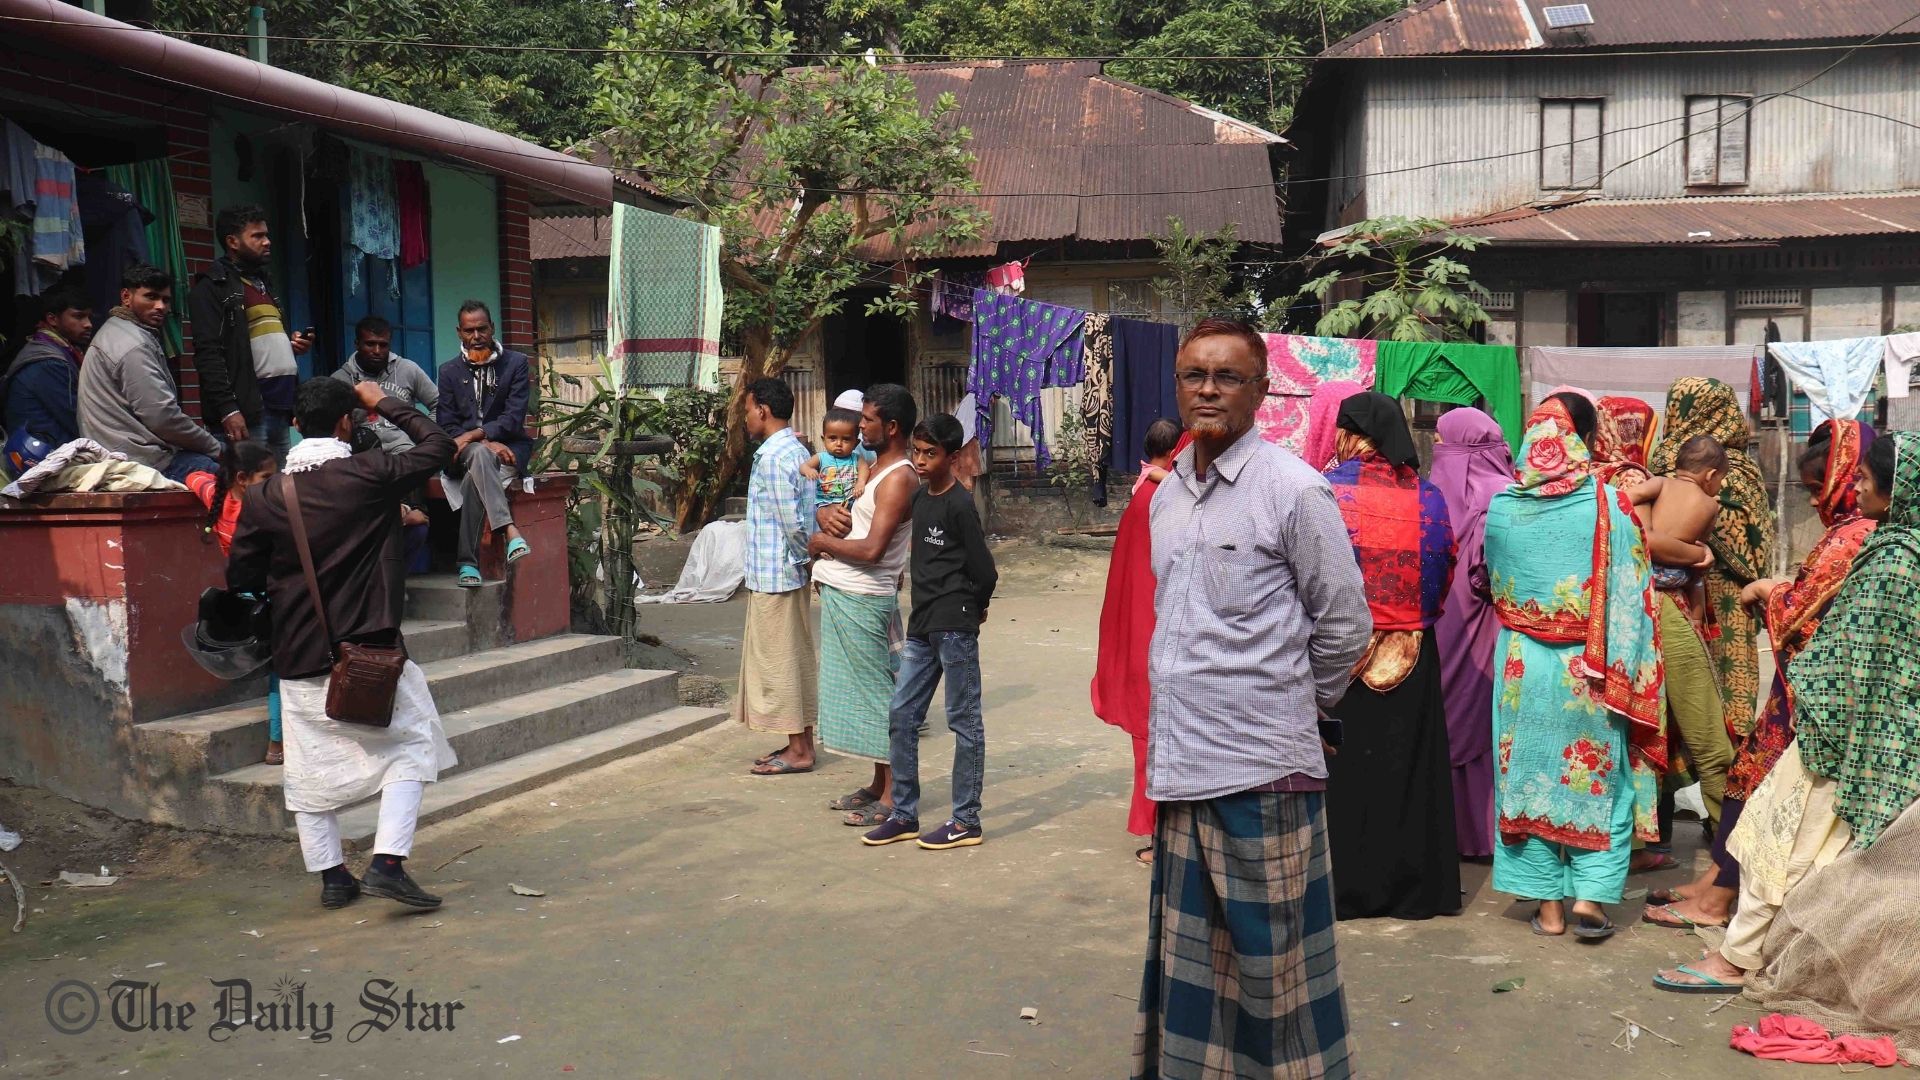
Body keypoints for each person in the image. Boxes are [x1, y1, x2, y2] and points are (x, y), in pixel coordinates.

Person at [1133, 319, 1371, 1080]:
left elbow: (1344, 626)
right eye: (1194, 375)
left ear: (1261, 392)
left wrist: (1302, 710)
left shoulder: (1295, 492)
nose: (1208, 389)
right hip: (1183, 766)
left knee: (1275, 981)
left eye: (1227, 376)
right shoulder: (1169, 494)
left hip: (1262, 773)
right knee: (1190, 968)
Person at [1655, 432, 1920, 994]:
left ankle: (1736, 960)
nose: (1860, 485)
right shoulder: (1897, 545)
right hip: (1875, 736)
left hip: (1838, 731)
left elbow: (1853, 657)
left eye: (1870, 478)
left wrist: (1812, 711)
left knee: (1783, 842)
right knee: (1813, 852)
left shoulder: (1892, 559)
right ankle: (1775, 956)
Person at [227, 377, 458, 910]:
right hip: (369, 648)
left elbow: (242, 570)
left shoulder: (264, 496)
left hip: (298, 649)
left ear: (292, 426)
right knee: (413, 743)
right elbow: (440, 447)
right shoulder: (368, 473)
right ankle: (387, 862)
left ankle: (333, 878)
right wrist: (385, 401)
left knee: (308, 764)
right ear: (346, 424)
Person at [1484, 399, 1664, 940]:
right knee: (1599, 780)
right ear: (1582, 442)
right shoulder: (1612, 506)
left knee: (1525, 779)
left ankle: (1549, 910)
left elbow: (1494, 581)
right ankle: (1589, 898)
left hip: (1521, 664)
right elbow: (1636, 592)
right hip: (1593, 667)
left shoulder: (1500, 508)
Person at [1322, 391, 1460, 920]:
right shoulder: (1428, 498)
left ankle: (1345, 891)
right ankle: (1415, 893)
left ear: (1354, 432)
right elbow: (1442, 569)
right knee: (1407, 771)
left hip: (1338, 655)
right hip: (1413, 652)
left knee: (1346, 773)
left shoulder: (1326, 492)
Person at [861, 413, 997, 850]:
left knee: (964, 722)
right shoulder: (920, 500)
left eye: (930, 453)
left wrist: (973, 610)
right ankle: (904, 814)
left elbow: (986, 572)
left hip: (955, 629)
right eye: (916, 451)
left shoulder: (960, 505)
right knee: (902, 716)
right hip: (921, 627)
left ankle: (966, 821)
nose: (920, 460)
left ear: (952, 457)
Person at [808, 384, 919, 827]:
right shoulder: (871, 469)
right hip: (846, 592)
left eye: (867, 420)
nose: (859, 426)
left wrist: (822, 543)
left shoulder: (899, 478)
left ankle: (893, 797)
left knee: (877, 697)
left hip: (863, 596)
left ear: (890, 427)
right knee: (859, 694)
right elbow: (856, 524)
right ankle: (878, 783)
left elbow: (873, 550)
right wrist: (825, 518)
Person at [1650, 377, 1774, 754]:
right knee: (1726, 694)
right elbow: (1750, 544)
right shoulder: (1731, 469)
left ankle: (1672, 795)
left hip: (1666, 595)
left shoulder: (1660, 464)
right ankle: (1729, 787)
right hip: (1730, 600)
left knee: (1674, 696)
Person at [1092, 418, 1184, 863]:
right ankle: (1160, 838)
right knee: (1160, 738)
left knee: (1154, 739)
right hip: (1159, 632)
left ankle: (1158, 836)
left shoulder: (1145, 492)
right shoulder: (1163, 497)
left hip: (1140, 630)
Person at [1429, 406, 1514, 860]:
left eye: (1442, 441)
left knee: (1452, 717)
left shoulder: (1431, 493)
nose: (1437, 449)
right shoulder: (1506, 493)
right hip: (1486, 624)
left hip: (1446, 622)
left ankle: (1453, 831)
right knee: (1481, 718)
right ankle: (1482, 833)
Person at [737, 377, 819, 776]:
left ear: (763, 410)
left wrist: (804, 559)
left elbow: (792, 522)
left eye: (748, 410)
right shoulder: (795, 448)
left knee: (778, 662)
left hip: (777, 574)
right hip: (789, 571)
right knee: (794, 656)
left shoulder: (772, 456)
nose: (746, 417)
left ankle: (800, 750)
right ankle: (798, 741)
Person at [187, 205, 312, 461]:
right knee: (251, 493)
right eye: (257, 236)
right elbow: (208, 355)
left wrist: (290, 345)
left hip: (279, 405)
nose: (267, 242)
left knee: (278, 491)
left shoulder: (265, 283)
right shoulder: (212, 288)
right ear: (232, 241)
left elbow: (252, 343)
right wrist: (228, 410)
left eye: (266, 234)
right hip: (247, 412)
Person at [77, 264, 222, 482]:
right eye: (151, 297)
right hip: (139, 461)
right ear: (126, 296)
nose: (160, 306)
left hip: (125, 452)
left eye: (165, 299)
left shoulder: (119, 331)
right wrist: (217, 448)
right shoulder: (132, 344)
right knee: (233, 477)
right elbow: (163, 418)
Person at [185, 441, 283, 763]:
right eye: (267, 475)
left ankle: (276, 745)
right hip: (272, 595)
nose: (275, 480)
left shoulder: (217, 498)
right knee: (280, 672)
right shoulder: (263, 510)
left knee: (276, 669)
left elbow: (193, 477)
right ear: (242, 478)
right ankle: (277, 743)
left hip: (244, 597)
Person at [435, 300, 533, 587]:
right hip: (464, 451)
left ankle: (467, 564)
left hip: (507, 451)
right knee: (479, 455)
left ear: (492, 328)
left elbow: (514, 419)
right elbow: (447, 424)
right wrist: (484, 442)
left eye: (482, 329)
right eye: (469, 331)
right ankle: (510, 529)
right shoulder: (449, 371)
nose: (476, 336)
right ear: (459, 332)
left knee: (473, 479)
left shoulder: (514, 363)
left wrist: (477, 438)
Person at [331, 315, 439, 454]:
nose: (377, 351)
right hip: (360, 457)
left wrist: (421, 433)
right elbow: (328, 424)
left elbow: (439, 404)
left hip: (406, 453)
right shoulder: (340, 379)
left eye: (383, 345)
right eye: (370, 344)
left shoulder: (407, 370)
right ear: (357, 344)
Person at [2, 287, 93, 447]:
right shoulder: (50, 362)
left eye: (88, 317)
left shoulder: (55, 349)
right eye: (78, 317)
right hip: (42, 450)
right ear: (52, 319)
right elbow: (76, 417)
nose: (88, 324)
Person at [798, 407, 870, 505]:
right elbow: (803, 466)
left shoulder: (855, 458)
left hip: (851, 503)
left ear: (856, 443)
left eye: (846, 439)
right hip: (825, 503)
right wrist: (808, 470)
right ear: (824, 440)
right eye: (833, 438)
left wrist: (861, 482)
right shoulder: (821, 457)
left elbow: (864, 468)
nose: (839, 444)